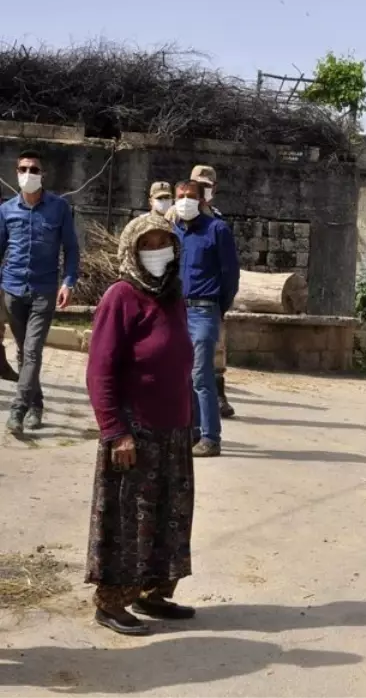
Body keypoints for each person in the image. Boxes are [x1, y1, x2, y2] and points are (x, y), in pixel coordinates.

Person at [85, 213, 196, 636]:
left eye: (162, 244)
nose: (156, 252)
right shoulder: (121, 296)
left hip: (174, 430)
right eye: (147, 245)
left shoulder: (174, 295)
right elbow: (100, 371)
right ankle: (111, 603)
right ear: (132, 250)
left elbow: (182, 361)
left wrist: (193, 420)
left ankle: (153, 593)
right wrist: (115, 430)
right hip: (134, 432)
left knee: (169, 515)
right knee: (128, 521)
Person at [0, 150, 80, 435]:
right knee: (23, 352)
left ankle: (18, 409)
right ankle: (37, 404)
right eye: (23, 169)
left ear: (42, 174)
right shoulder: (7, 210)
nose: (28, 174)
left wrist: (68, 283)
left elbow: (71, 249)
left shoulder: (59, 208)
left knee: (32, 351)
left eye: (34, 169)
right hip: (12, 290)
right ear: (16, 172)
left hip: (44, 290)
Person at [174, 179, 239, 457]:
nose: (184, 201)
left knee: (201, 376)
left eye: (190, 196)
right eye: (180, 196)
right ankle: (194, 431)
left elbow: (230, 276)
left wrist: (218, 308)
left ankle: (212, 437)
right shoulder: (175, 232)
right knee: (183, 377)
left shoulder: (217, 231)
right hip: (178, 311)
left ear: (202, 201)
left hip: (204, 311)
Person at [190, 165, 236, 419]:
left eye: (207, 186)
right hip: (184, 296)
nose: (203, 190)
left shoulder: (218, 221)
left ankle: (217, 395)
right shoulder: (177, 215)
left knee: (217, 348)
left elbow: (229, 267)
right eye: (199, 185)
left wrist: (223, 302)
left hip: (210, 296)